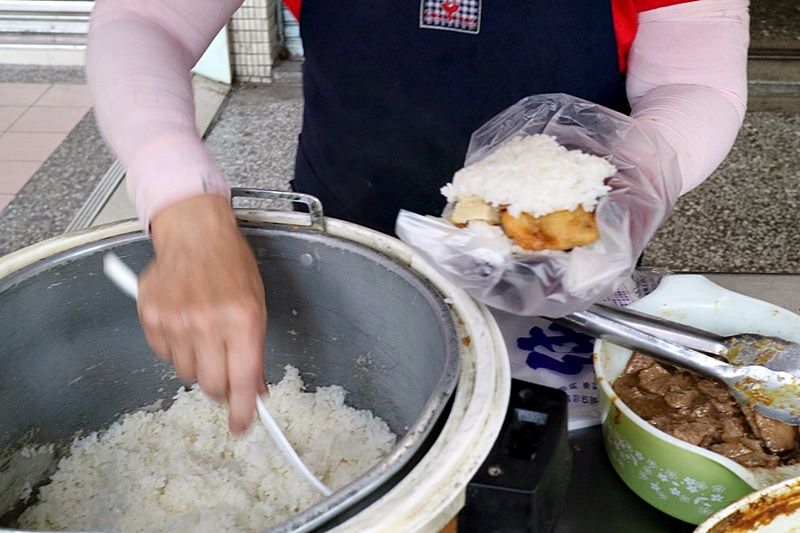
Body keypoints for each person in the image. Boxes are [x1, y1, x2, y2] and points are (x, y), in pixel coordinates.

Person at [85, 0, 749, 433]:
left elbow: (694, 81)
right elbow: (148, 20)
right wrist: (181, 200)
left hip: (560, 269)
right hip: (344, 249)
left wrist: (624, 173)